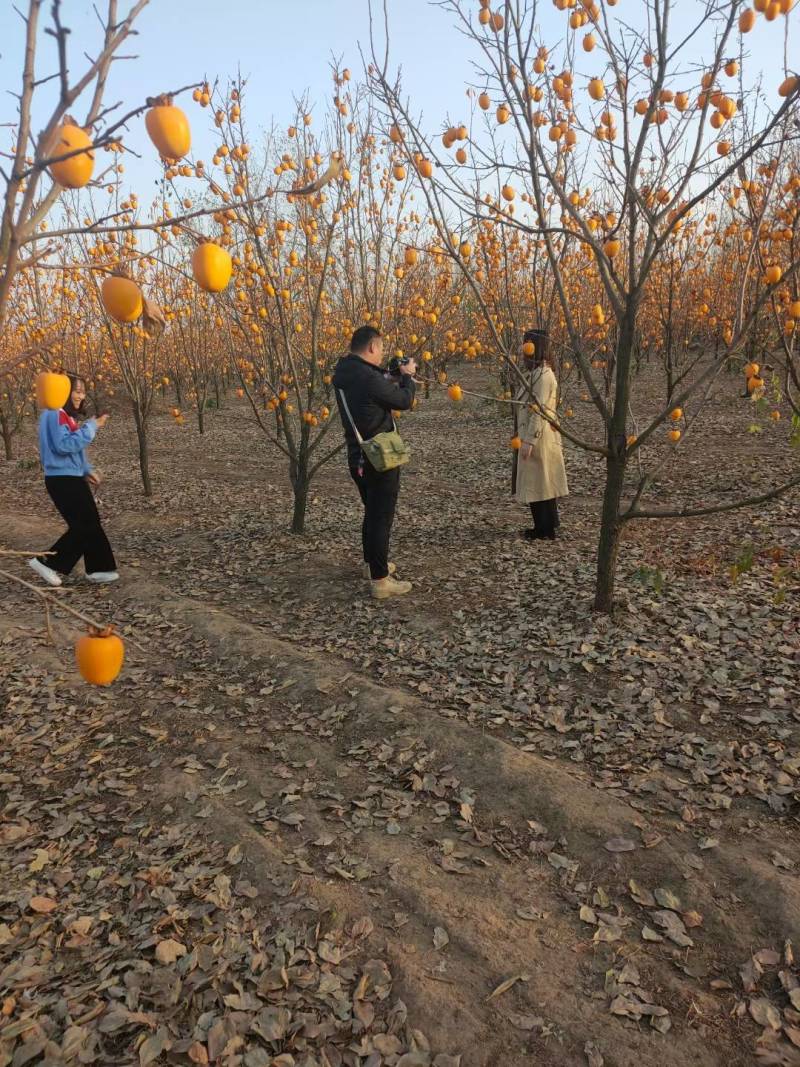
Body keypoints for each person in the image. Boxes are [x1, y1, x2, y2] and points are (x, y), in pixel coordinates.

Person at [333, 325, 416, 599]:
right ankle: (381, 580)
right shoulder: (367, 378)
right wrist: (408, 378)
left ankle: (372, 565)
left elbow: (376, 383)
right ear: (371, 347)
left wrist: (392, 374)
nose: (381, 354)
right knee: (381, 516)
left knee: (372, 513)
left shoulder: (345, 372)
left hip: (357, 456)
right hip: (380, 457)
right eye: (380, 348)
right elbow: (403, 401)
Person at [28, 374, 119, 587]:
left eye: (82, 391)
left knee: (90, 523)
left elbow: (72, 451)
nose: (80, 396)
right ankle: (47, 563)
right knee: (84, 525)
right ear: (62, 392)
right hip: (62, 479)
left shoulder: (63, 416)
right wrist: (91, 426)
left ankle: (100, 569)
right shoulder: (55, 414)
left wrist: (86, 470)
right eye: (76, 390)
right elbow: (64, 446)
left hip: (70, 476)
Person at [513, 329, 568, 540]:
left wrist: (529, 441)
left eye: (526, 345)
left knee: (540, 484)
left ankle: (545, 530)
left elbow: (539, 411)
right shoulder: (537, 373)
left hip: (540, 437)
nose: (522, 350)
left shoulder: (543, 376)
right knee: (541, 483)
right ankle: (545, 526)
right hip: (539, 435)